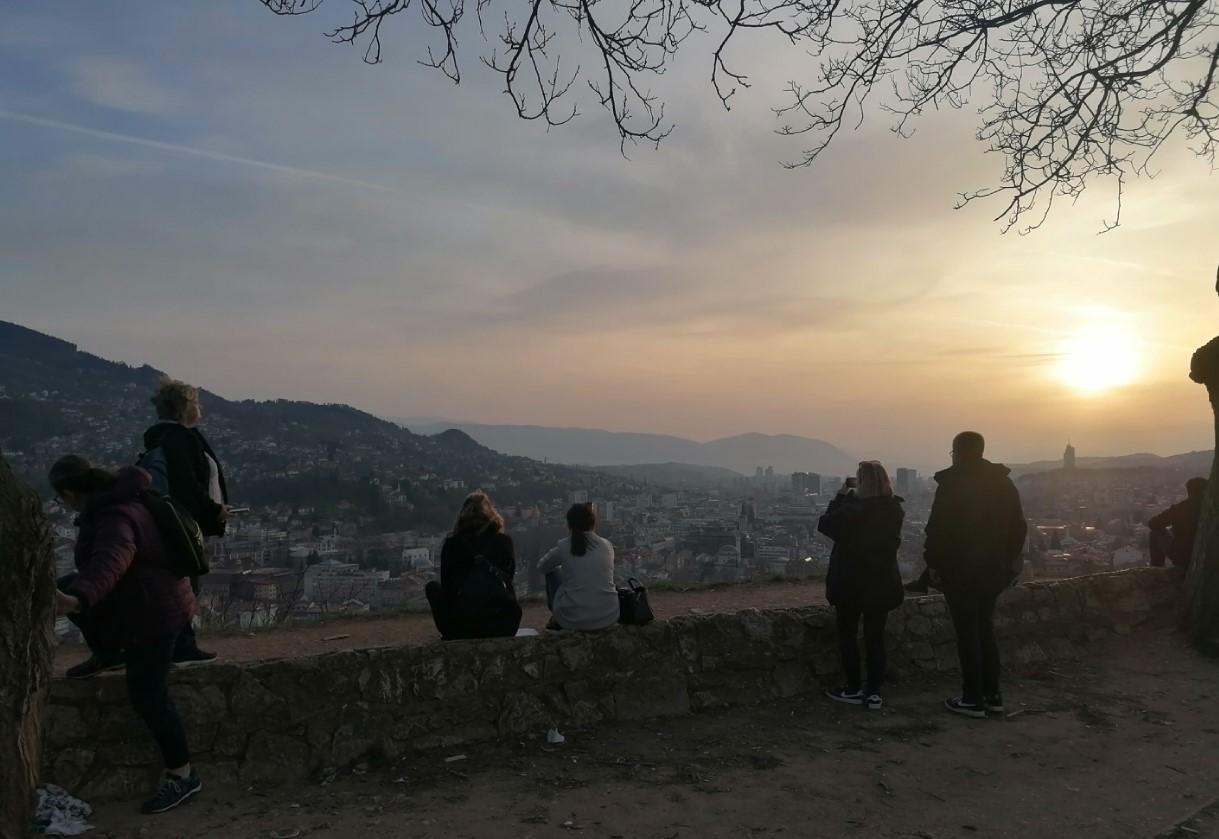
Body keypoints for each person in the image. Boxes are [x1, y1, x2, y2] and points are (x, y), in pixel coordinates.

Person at [49, 456, 201, 814]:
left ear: (69, 493)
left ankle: (183, 774)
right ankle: (108, 653)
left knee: (148, 694)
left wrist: (77, 598)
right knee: (67, 584)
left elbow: (112, 558)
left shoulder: (115, 515)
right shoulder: (119, 501)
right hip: (147, 602)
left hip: (154, 614)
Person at [924, 431, 1027, 719]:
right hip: (993, 569)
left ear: (957, 451)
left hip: (959, 568)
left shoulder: (952, 484)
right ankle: (993, 695)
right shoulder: (1003, 484)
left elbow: (937, 527)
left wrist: (933, 562)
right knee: (984, 628)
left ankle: (971, 697)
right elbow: (1018, 527)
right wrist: (1007, 560)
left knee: (967, 632)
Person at [142, 379, 226, 667]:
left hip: (176, 520)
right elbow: (186, 484)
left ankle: (178, 644)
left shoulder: (161, 436)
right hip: (184, 524)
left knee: (184, 583)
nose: (199, 408)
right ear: (184, 407)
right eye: (196, 403)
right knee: (187, 584)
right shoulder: (179, 437)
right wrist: (214, 510)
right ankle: (181, 647)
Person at [818, 462, 905, 710]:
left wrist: (841, 495)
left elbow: (825, 524)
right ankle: (874, 691)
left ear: (861, 482)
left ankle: (853, 687)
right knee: (875, 638)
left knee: (848, 635)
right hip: (881, 582)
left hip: (850, 582)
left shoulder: (853, 511)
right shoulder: (894, 510)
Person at [425, 491, 522, 640]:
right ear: (491, 513)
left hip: (461, 627)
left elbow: (447, 587)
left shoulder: (452, 544)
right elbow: (508, 578)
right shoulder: (503, 541)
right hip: (504, 624)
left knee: (432, 587)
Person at [538, 503, 619, 632]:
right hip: (609, 615)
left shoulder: (563, 546)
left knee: (553, 572)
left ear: (569, 524)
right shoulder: (606, 545)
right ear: (593, 523)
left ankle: (556, 618)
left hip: (574, 619)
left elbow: (542, 567)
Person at [1148, 478, 1207, 569]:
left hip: (1183, 558)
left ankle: (1156, 570)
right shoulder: (1210, 510)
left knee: (1155, 533)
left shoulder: (1180, 509)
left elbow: (1152, 523)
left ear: (1188, 492)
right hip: (1206, 556)